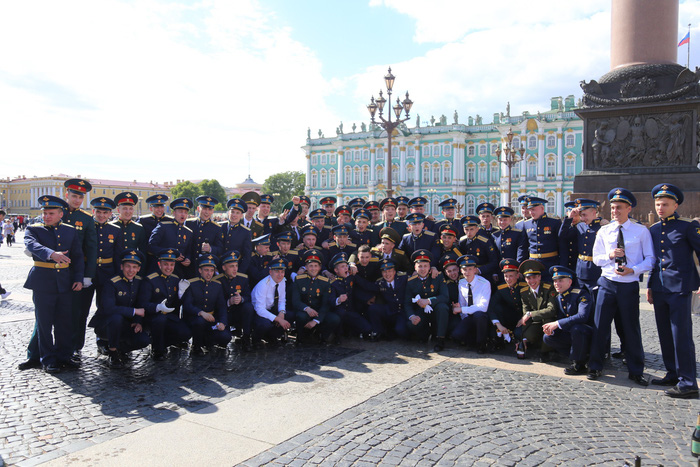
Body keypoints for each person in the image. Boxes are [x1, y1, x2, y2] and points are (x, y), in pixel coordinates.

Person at [588, 188, 655, 386]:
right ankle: (596, 366)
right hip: (607, 283)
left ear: (629, 208)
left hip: (628, 285)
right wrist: (610, 256)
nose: (614, 211)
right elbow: (596, 259)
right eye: (612, 207)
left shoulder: (641, 231)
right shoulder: (604, 231)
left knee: (631, 328)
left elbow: (650, 259)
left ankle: (636, 370)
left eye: (618, 208)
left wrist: (633, 270)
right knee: (600, 326)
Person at [647, 183, 700, 398]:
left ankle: (688, 382)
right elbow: (654, 261)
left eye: (665, 204)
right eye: (658, 204)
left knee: (681, 335)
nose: (660, 208)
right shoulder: (653, 229)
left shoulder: (688, 226)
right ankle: (672, 373)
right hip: (659, 288)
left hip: (680, 287)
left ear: (675, 205)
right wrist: (650, 285)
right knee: (664, 333)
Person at [22, 195, 84, 373]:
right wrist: (51, 254)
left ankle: (64, 356)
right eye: (45, 213)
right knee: (44, 323)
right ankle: (48, 359)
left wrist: (79, 278)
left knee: (64, 322)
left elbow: (78, 256)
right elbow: (31, 245)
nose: (46, 216)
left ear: (60, 214)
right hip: (43, 282)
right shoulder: (34, 229)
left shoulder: (70, 230)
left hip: (64, 282)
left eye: (51, 213)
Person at [89, 250, 150, 369]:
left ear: (138, 269)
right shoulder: (112, 283)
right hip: (106, 325)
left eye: (134, 267)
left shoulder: (139, 282)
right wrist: (134, 312)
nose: (130, 270)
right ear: (121, 267)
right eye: (127, 266)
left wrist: (138, 321)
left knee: (144, 340)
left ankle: (120, 349)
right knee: (116, 318)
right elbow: (108, 308)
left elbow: (141, 304)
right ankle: (113, 352)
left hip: (127, 324)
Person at [137, 249, 192, 360]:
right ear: (159, 264)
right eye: (165, 264)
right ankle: (157, 350)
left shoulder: (175, 279)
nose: (169, 268)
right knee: (160, 320)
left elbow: (175, 305)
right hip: (152, 317)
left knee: (186, 333)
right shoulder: (150, 280)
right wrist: (156, 307)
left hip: (168, 317)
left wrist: (180, 294)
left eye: (172, 265)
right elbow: (142, 303)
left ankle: (162, 342)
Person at [542, 266, 593, 375]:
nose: (556, 284)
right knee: (548, 337)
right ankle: (577, 356)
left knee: (576, 328)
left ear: (570, 282)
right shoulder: (559, 297)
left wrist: (557, 323)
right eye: (555, 281)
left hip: (587, 334)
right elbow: (562, 318)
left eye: (560, 281)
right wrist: (553, 328)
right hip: (572, 333)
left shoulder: (581, 294)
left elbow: (582, 316)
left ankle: (579, 364)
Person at [182, 254, 232, 355]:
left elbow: (221, 306)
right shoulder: (191, 284)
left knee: (226, 337)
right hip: (195, 319)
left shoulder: (217, 285)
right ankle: (196, 346)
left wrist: (222, 322)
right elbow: (187, 305)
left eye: (211, 270)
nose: (209, 274)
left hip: (212, 319)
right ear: (200, 270)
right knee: (200, 322)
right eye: (206, 270)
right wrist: (200, 313)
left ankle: (207, 341)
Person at [405, 249, 450, 351]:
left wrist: (429, 300)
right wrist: (412, 317)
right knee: (411, 324)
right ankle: (424, 335)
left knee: (443, 307)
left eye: (425, 266)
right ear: (415, 267)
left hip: (435, 311)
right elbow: (407, 303)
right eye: (420, 266)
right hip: (421, 313)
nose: (423, 269)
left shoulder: (438, 277)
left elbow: (445, 297)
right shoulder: (411, 281)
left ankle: (440, 339)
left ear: (430, 267)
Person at [294, 249, 340, 344]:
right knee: (300, 316)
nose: (313, 268)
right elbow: (295, 301)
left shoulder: (325, 282)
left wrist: (316, 320)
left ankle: (322, 336)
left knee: (334, 318)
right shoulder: (299, 280)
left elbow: (325, 304)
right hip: (305, 312)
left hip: (319, 312)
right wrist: (307, 309)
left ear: (319, 268)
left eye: (316, 266)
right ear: (306, 267)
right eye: (310, 266)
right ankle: (301, 337)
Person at [515, 259, 557, 360]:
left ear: (539, 277)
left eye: (534, 277)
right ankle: (531, 345)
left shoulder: (549, 289)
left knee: (548, 326)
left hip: (549, 320)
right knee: (526, 334)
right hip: (536, 322)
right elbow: (525, 312)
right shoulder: (524, 292)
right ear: (525, 279)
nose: (532, 281)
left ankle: (545, 351)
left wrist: (530, 314)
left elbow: (551, 310)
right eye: (528, 278)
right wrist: (522, 338)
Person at [450, 254, 492, 353]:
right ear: (461, 271)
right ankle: (472, 339)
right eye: (464, 270)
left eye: (470, 269)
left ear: (475, 270)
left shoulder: (484, 283)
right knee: (456, 335)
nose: (467, 272)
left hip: (481, 316)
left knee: (479, 315)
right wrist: (462, 314)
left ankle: (481, 344)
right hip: (468, 316)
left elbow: (483, 307)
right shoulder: (461, 283)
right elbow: (462, 302)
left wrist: (461, 309)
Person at [215, 250, 254, 352]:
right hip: (224, 315)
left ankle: (246, 338)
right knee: (223, 340)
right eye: (231, 266)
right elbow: (214, 302)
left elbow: (249, 296)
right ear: (224, 268)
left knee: (248, 307)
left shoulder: (243, 278)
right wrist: (229, 302)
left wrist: (242, 299)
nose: (235, 269)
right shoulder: (217, 280)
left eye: (236, 266)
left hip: (238, 313)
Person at [363, 259, 409, 340]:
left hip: (402, 312)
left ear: (394, 272)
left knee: (401, 331)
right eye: (384, 272)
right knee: (373, 308)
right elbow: (367, 285)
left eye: (390, 271)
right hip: (390, 310)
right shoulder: (380, 282)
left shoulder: (403, 278)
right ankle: (378, 332)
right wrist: (353, 275)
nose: (387, 274)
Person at [149, 197, 195, 277]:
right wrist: (170, 254)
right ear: (174, 213)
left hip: (179, 272)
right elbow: (151, 246)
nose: (183, 214)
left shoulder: (188, 232)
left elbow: (188, 251)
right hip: (161, 270)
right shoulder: (163, 226)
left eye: (185, 212)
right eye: (180, 212)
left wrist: (188, 259)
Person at [329, 252, 371, 339]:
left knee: (367, 328)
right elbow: (330, 301)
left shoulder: (351, 278)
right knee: (339, 316)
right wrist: (338, 300)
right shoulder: (333, 283)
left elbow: (365, 285)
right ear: (336, 270)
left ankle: (350, 330)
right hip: (339, 313)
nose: (345, 268)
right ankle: (337, 334)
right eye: (342, 267)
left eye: (346, 266)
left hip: (351, 311)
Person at [251, 257, 292, 346]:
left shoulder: (282, 281)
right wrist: (278, 319)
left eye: (282, 272)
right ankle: (256, 339)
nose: (280, 275)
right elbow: (260, 309)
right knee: (265, 324)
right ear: (270, 272)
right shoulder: (263, 285)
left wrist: (281, 312)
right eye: (277, 271)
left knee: (290, 315)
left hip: (272, 308)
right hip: (258, 312)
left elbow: (281, 300)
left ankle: (272, 336)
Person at [488, 259, 526, 348]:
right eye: (506, 276)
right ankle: (497, 341)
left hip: (523, 319)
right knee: (497, 308)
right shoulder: (501, 288)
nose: (508, 279)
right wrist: (498, 324)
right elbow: (491, 306)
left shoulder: (524, 286)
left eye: (511, 276)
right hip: (509, 318)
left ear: (517, 275)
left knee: (518, 334)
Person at [521, 197, 561, 282]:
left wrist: (562, 265)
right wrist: (520, 265)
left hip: (550, 262)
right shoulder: (526, 224)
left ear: (542, 208)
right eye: (530, 210)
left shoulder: (554, 223)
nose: (531, 212)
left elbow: (561, 246)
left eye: (533, 209)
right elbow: (523, 247)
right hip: (533, 264)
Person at [186, 195, 224, 264]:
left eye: (210, 209)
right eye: (204, 208)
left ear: (213, 211)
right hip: (188, 265)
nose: (207, 212)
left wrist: (210, 249)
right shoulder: (188, 223)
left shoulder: (217, 228)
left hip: (206, 267)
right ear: (198, 209)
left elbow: (220, 249)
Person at [139, 194, 173, 271]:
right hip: (149, 258)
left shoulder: (170, 221)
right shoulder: (143, 220)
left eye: (161, 207)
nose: (159, 210)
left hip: (166, 258)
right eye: (157, 207)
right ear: (151, 208)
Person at [221, 198, 253, 274]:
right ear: (229, 213)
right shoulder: (219, 226)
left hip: (234, 269)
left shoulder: (246, 232)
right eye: (232, 212)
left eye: (237, 213)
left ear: (241, 215)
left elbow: (247, 256)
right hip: (218, 268)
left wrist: (239, 272)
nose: (234, 215)